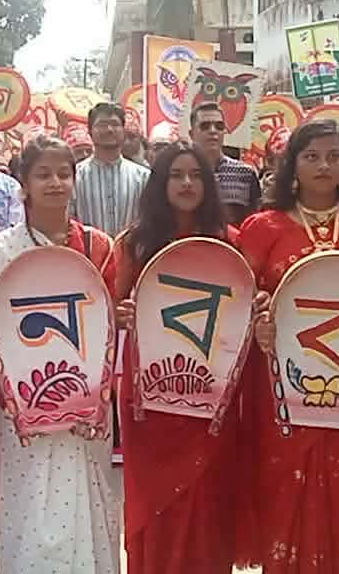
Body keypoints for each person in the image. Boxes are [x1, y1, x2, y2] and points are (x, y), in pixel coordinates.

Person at [238, 120, 339, 574]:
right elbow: (242, 300)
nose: (324, 166)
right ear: (292, 165)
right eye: (311, 156)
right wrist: (258, 320)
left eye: (334, 156)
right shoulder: (263, 228)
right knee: (282, 489)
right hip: (280, 391)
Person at [0, 134, 120, 573]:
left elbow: (113, 321)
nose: (55, 183)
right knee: (29, 498)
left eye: (64, 174)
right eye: (43, 174)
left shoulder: (100, 248)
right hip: (22, 406)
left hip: (88, 401)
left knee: (92, 495)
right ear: (23, 184)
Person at [105, 142, 239, 573]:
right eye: (176, 175)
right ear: (159, 183)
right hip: (152, 396)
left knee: (209, 495)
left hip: (212, 390)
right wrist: (121, 314)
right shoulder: (134, 243)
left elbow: (244, 305)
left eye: (196, 175)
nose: (186, 183)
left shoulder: (229, 242)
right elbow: (110, 307)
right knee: (155, 500)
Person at [73, 103, 150, 237]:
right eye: (102, 125)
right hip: (87, 249)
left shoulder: (143, 176)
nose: (109, 129)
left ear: (123, 131)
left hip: (130, 248)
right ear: (90, 131)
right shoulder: (75, 176)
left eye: (115, 124)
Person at [191, 102, 261, 224]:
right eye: (205, 126)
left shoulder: (245, 173)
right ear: (191, 134)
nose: (213, 131)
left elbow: (254, 221)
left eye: (219, 126)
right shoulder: (183, 173)